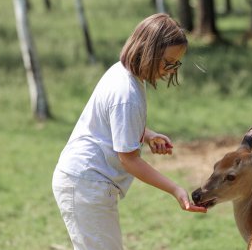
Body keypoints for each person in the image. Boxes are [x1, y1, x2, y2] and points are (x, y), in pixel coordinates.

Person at [52, 13, 207, 250]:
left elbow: (115, 123)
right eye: (168, 62)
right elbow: (129, 160)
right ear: (148, 50)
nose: (170, 70)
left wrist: (147, 134)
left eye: (176, 63)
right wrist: (175, 189)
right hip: (86, 183)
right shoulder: (127, 94)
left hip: (86, 182)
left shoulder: (123, 73)